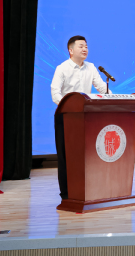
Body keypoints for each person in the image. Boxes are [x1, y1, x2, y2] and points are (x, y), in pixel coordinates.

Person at [50, 35, 111, 200]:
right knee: (66, 156)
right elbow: (55, 93)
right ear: (71, 50)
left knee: (86, 155)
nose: (85, 49)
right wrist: (69, 105)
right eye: (81, 46)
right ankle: (66, 194)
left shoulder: (91, 67)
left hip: (85, 117)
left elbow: (102, 87)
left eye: (86, 46)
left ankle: (86, 190)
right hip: (66, 116)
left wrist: (112, 98)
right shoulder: (62, 68)